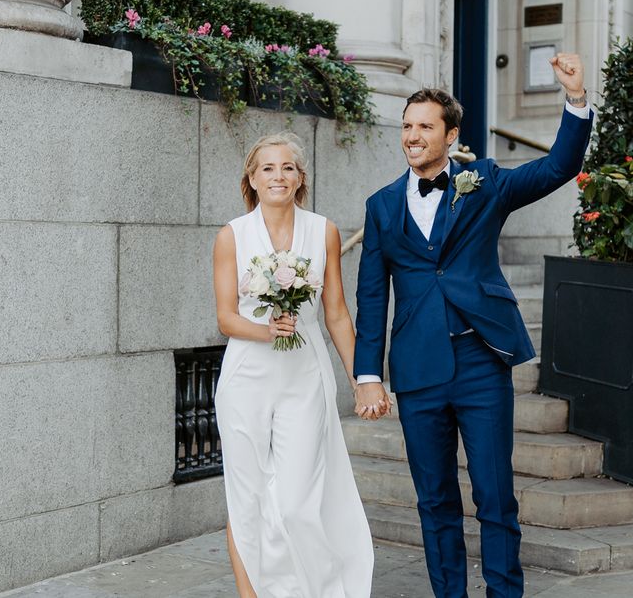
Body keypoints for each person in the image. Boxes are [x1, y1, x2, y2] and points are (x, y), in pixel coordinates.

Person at [353, 54, 593, 597]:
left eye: (424, 127)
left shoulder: (482, 183)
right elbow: (372, 296)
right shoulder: (381, 206)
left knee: (495, 494)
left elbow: (557, 167)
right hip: (418, 371)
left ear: (450, 133)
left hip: (480, 361)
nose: (413, 136)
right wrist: (368, 372)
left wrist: (575, 100)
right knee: (434, 499)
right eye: (407, 127)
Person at [213, 132, 374, 598]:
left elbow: (337, 313)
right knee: (245, 499)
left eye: (288, 167)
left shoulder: (322, 231)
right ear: (252, 178)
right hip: (246, 377)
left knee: (299, 502)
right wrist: (266, 331)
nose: (278, 176)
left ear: (300, 177)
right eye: (268, 168)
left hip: (305, 375)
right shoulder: (232, 236)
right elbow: (226, 317)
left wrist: (363, 379)